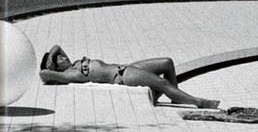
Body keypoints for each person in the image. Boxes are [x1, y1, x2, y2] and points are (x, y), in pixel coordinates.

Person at [39, 46, 220, 109]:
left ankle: (176, 96)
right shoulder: (69, 74)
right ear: (56, 67)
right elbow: (44, 74)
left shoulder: (72, 65)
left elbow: (57, 46)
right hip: (122, 76)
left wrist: (52, 55)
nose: (63, 57)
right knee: (162, 83)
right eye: (59, 59)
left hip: (126, 67)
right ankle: (198, 102)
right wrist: (50, 65)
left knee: (167, 62)